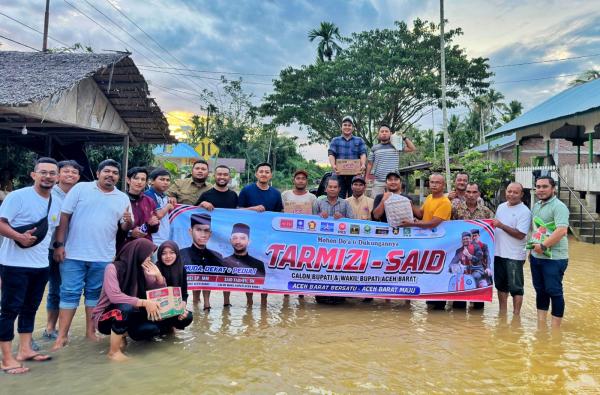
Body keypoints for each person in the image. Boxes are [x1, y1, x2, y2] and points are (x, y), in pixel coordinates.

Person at [52, 159, 133, 350]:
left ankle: (91, 332)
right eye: (106, 171)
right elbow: (64, 216)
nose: (110, 175)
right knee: (69, 293)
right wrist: (59, 245)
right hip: (73, 253)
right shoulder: (81, 189)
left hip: (103, 256)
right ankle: (62, 336)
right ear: (97, 173)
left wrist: (128, 222)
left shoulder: (122, 198)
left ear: (118, 177)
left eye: (114, 172)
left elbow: (125, 227)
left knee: (95, 295)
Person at [0, 158, 61, 374]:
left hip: (40, 264)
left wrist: (60, 247)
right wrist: (19, 236)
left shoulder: (56, 201)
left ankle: (24, 350)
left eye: (52, 173)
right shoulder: (18, 197)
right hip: (14, 264)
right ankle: (6, 358)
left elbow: (54, 231)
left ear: (57, 177)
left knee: (30, 308)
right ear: (33, 175)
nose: (48, 176)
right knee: (9, 310)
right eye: (43, 172)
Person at [92, 239, 165, 361]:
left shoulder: (142, 271)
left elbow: (157, 294)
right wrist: (144, 302)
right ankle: (114, 352)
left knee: (152, 329)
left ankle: (123, 335)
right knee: (124, 307)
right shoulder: (112, 268)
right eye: (147, 255)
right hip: (104, 318)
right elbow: (114, 296)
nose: (149, 258)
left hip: (130, 315)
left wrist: (158, 277)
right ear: (137, 253)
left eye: (150, 255)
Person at [44, 160, 82, 341]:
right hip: (49, 248)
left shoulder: (80, 195)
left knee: (63, 288)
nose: (70, 175)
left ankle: (58, 329)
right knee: (52, 289)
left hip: (71, 250)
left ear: (79, 177)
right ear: (58, 175)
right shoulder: (49, 193)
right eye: (66, 171)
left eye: (74, 172)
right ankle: (49, 327)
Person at [402, 173, 452, 310]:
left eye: (437, 182)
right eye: (432, 182)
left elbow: (432, 224)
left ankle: (439, 306)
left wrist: (411, 224)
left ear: (443, 185)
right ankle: (431, 305)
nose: (434, 185)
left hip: (439, 245)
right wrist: (410, 205)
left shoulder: (445, 202)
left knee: (438, 274)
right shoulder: (429, 197)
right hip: (426, 244)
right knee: (429, 274)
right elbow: (420, 215)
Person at [195, 165, 239, 308]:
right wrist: (201, 203)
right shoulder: (206, 195)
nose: (222, 177)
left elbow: (240, 215)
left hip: (227, 240)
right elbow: (191, 213)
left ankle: (227, 301)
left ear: (229, 177)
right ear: (214, 176)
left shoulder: (234, 196)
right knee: (206, 270)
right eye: (219, 174)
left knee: (228, 270)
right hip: (209, 240)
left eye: (225, 175)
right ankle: (206, 303)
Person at [529, 176, 569, 329]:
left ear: (553, 189)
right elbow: (536, 230)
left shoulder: (559, 206)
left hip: (555, 258)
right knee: (540, 290)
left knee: (554, 291)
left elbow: (561, 230)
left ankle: (555, 330)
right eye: (538, 187)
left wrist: (544, 246)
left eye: (544, 186)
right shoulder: (537, 205)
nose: (540, 190)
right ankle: (541, 325)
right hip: (536, 255)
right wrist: (532, 250)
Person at [450, 182, 494, 309]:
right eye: (468, 192)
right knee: (459, 301)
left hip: (478, 263)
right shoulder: (455, 210)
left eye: (474, 192)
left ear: (479, 194)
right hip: (461, 261)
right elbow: (447, 228)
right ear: (464, 193)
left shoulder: (486, 212)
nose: (471, 195)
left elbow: (492, 232)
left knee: (478, 300)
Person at [492, 182, 531, 316]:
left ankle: (516, 315)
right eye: (509, 191)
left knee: (516, 287)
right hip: (498, 252)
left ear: (521, 194)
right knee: (500, 285)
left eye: (515, 192)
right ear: (505, 192)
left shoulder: (524, 211)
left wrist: (501, 225)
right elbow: (494, 226)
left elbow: (520, 235)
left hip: (514, 255)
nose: (511, 194)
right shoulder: (501, 207)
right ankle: (502, 312)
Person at [179, 213, 224, 311]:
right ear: (191, 231)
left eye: (206, 231)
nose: (203, 235)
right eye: (198, 230)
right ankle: (195, 302)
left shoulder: (216, 256)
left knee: (207, 274)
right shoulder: (181, 254)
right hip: (188, 290)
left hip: (208, 284)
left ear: (210, 234)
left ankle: (206, 304)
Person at [366, 123, 415, 197]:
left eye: (386, 131)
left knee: (393, 205)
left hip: (393, 182)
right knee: (376, 204)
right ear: (378, 134)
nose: (384, 133)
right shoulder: (374, 148)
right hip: (378, 182)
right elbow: (370, 164)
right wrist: (366, 177)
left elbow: (412, 148)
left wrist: (404, 137)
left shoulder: (396, 146)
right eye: (382, 131)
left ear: (390, 133)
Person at [117, 167, 159, 252]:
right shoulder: (119, 199)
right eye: (136, 178)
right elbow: (112, 227)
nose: (139, 182)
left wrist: (154, 224)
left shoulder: (149, 201)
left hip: (145, 248)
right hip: (124, 248)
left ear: (146, 182)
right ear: (128, 180)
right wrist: (130, 233)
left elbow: (154, 230)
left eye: (143, 179)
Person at [155, 241, 193, 334]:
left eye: (172, 252)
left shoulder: (181, 268)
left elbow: (184, 293)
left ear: (177, 253)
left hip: (174, 308)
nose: (168, 256)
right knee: (152, 331)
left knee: (187, 317)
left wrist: (182, 308)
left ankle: (171, 326)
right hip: (157, 310)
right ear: (159, 255)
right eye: (164, 253)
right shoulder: (155, 269)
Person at [328, 116, 368, 198]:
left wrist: (363, 164)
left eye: (349, 125)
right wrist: (333, 165)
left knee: (354, 197)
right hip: (338, 174)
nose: (347, 127)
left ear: (353, 128)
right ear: (341, 127)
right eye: (345, 125)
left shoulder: (359, 140)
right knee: (338, 197)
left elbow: (363, 153)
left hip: (355, 174)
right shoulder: (335, 140)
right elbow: (331, 153)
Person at [145, 168, 175, 247]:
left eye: (168, 180)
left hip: (164, 238)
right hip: (153, 239)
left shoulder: (165, 197)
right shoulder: (148, 194)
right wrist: (168, 206)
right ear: (151, 181)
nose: (165, 182)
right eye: (162, 179)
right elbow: (159, 215)